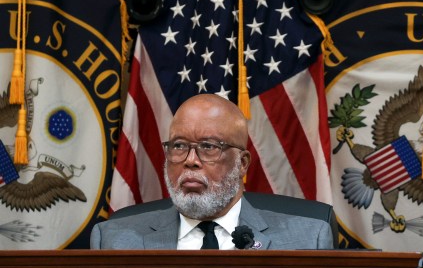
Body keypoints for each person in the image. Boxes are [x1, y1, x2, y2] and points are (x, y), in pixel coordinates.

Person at [91, 94, 333, 250]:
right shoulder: (114, 240)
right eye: (179, 146)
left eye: (208, 147)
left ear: (242, 163)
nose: (191, 161)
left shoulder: (308, 241)